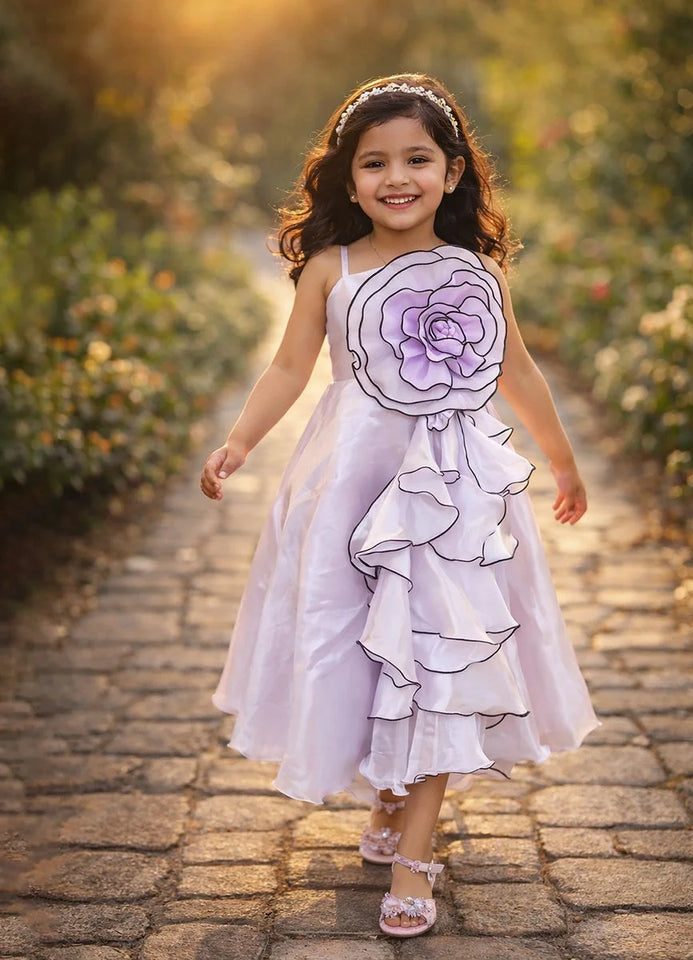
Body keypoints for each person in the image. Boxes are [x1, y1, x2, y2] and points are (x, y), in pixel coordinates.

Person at [200, 73, 598, 938]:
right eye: (375, 163)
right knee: (371, 646)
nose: (397, 177)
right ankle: (385, 794)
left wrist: (562, 463)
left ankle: (416, 851)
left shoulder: (477, 270)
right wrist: (237, 443)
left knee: (440, 653)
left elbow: (515, 370)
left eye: (417, 158)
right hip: (353, 481)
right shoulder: (330, 270)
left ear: (453, 172)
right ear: (348, 182)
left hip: (452, 491)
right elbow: (287, 369)